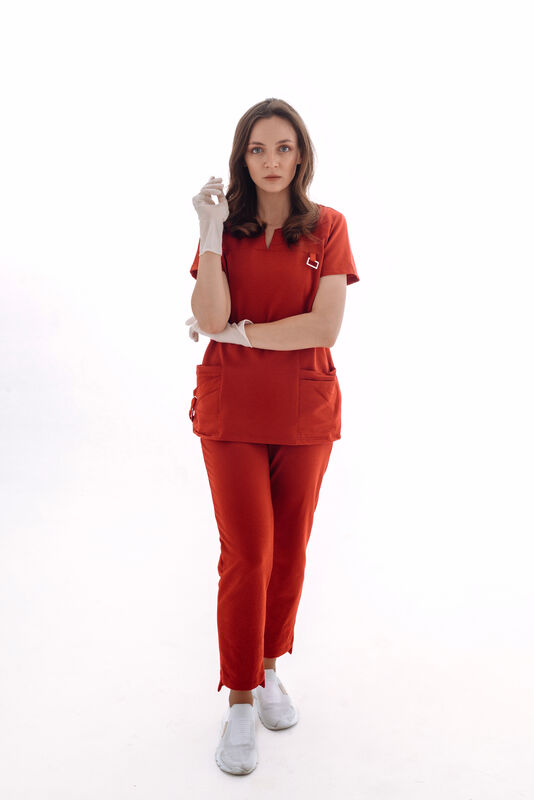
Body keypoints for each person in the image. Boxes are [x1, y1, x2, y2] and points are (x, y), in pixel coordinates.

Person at [186, 98, 360, 775]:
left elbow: (324, 327)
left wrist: (246, 334)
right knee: (248, 552)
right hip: (231, 412)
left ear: (301, 155)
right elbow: (210, 317)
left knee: (288, 551)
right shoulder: (225, 229)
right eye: (258, 149)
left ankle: (267, 668)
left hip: (304, 412)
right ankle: (237, 698)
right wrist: (208, 231)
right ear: (243, 157)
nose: (271, 161)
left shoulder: (328, 227)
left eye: (284, 147)